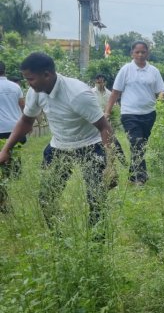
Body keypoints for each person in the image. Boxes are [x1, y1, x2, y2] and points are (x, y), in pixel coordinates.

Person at [0, 52, 116, 231]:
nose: (28, 84)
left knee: (96, 199)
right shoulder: (35, 92)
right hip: (59, 146)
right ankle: (60, 238)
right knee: (46, 198)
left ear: (47, 74)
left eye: (31, 79)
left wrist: (110, 165)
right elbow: (25, 121)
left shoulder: (77, 94)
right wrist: (6, 149)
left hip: (90, 146)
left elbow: (105, 127)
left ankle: (97, 243)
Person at [105, 41, 164, 185]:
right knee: (136, 143)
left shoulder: (154, 71)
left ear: (147, 53)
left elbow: (160, 90)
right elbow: (115, 92)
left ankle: (133, 177)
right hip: (129, 113)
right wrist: (107, 112)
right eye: (137, 52)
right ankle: (140, 178)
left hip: (149, 114)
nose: (140, 55)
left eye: (143, 52)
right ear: (132, 53)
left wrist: (162, 96)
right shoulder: (126, 70)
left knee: (141, 145)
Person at [0, 61, 25, 212]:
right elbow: (23, 105)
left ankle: (5, 181)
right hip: (15, 127)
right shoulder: (15, 86)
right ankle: (13, 174)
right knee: (13, 153)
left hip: (0, 128)